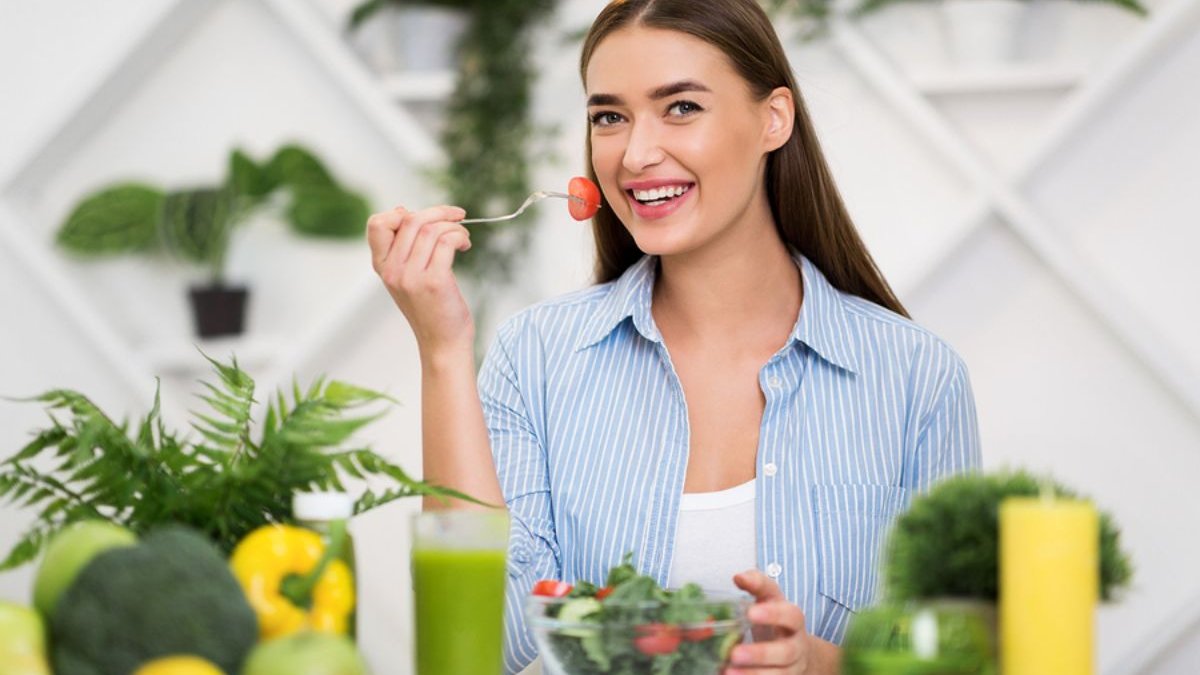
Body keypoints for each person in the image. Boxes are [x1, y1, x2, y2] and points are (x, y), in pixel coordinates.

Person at [367, 0, 981, 672]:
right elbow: (486, 644)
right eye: (610, 116)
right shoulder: (535, 357)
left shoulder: (917, 375)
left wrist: (823, 662)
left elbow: (956, 652)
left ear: (773, 119)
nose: (635, 154)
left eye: (681, 107)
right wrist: (444, 351)